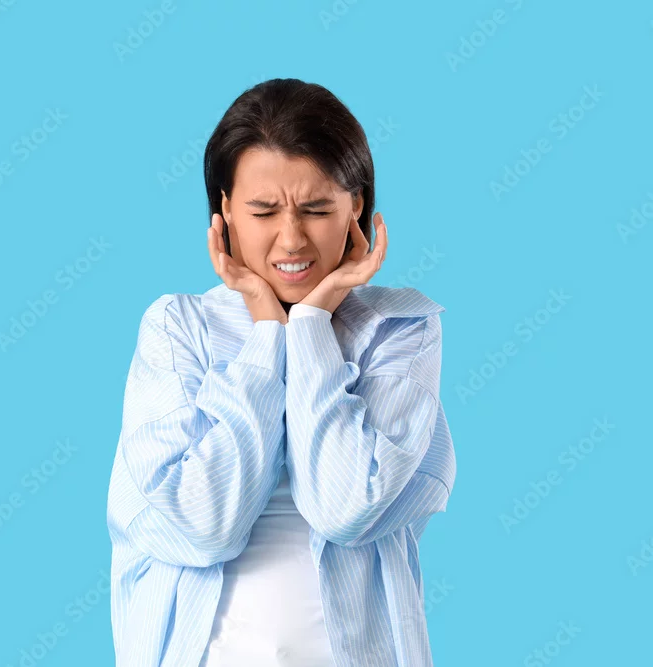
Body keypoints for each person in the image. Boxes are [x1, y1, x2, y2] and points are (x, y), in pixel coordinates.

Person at [107, 78, 456, 667]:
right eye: (263, 211)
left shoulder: (400, 329)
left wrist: (311, 325)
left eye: (317, 210)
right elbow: (204, 524)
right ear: (224, 210)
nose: (291, 239)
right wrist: (268, 334)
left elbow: (347, 508)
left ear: (356, 207)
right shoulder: (177, 329)